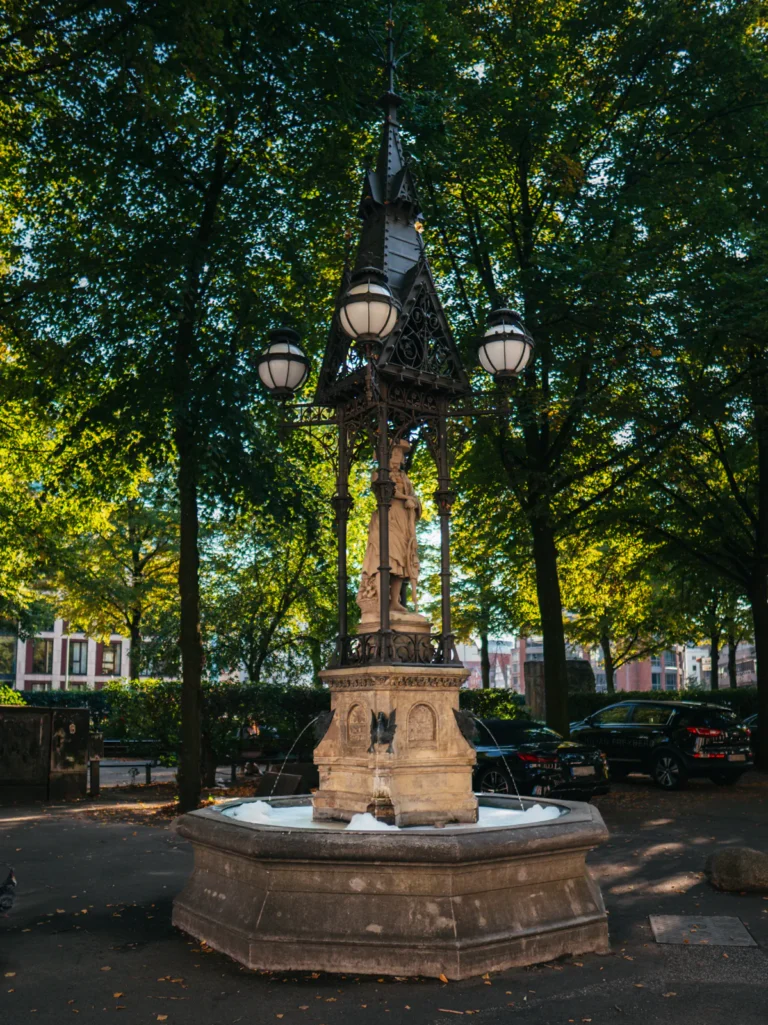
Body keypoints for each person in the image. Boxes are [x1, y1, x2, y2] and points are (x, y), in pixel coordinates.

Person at [357, 439, 421, 617]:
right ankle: (381, 600)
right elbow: (384, 490)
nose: (397, 457)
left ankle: (394, 601)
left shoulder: (405, 478)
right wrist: (405, 498)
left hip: (403, 522)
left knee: (401, 560)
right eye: (393, 453)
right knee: (386, 558)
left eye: (400, 454)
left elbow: (414, 497)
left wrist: (413, 502)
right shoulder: (378, 474)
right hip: (387, 519)